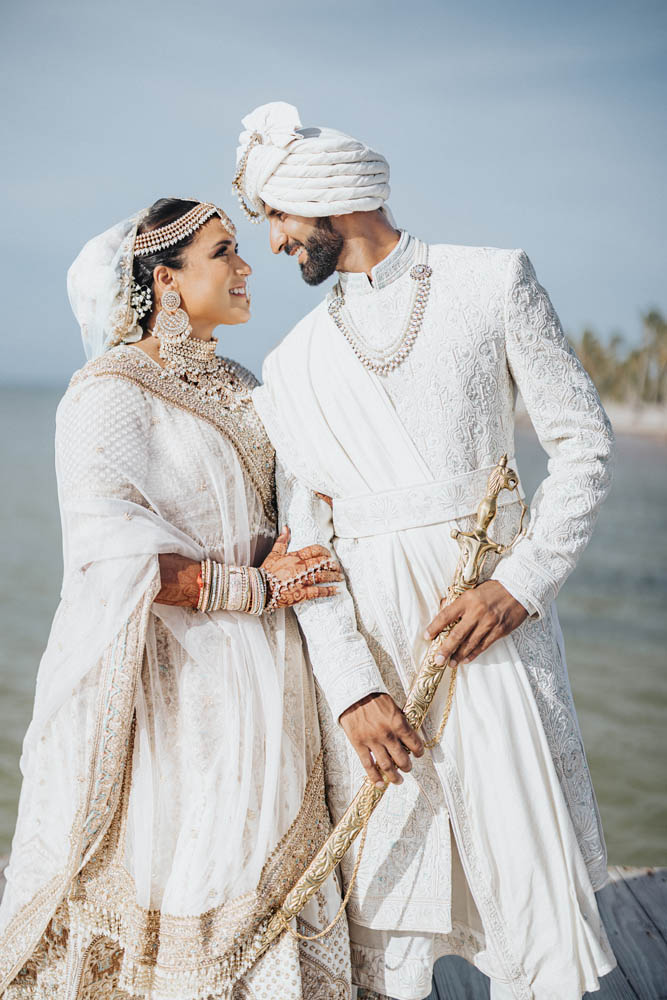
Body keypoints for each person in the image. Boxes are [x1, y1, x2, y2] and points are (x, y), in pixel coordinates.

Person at [232, 102, 618, 1000]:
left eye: (279, 216)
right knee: (395, 934)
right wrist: (353, 690)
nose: (281, 241)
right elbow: (307, 545)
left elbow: (584, 446)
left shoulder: (492, 281)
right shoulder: (291, 365)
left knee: (528, 907)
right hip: (377, 658)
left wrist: (517, 586)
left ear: (322, 195)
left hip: (490, 635)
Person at [0, 198, 353, 999]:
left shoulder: (242, 383)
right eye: (224, 252)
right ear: (165, 279)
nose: (245, 265)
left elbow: (274, 508)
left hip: (269, 671)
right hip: (175, 682)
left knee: (262, 870)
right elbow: (108, 558)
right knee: (189, 870)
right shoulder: (108, 394)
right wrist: (255, 586)